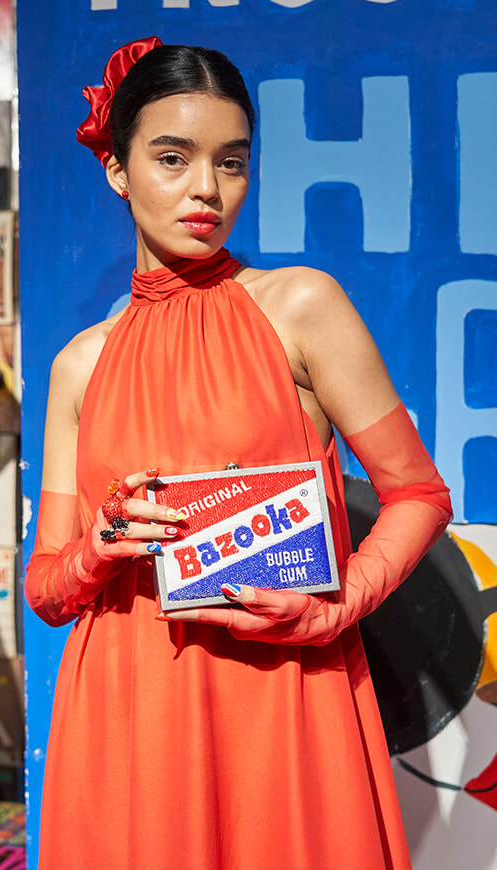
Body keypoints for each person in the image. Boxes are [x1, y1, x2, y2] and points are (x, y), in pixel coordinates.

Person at [25, 37, 452, 870]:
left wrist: (340, 604)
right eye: (172, 158)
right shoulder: (79, 365)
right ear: (116, 170)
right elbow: (45, 586)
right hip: (128, 712)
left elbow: (419, 494)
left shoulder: (301, 305)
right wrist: (95, 550)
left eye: (231, 161)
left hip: (280, 693)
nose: (206, 189)